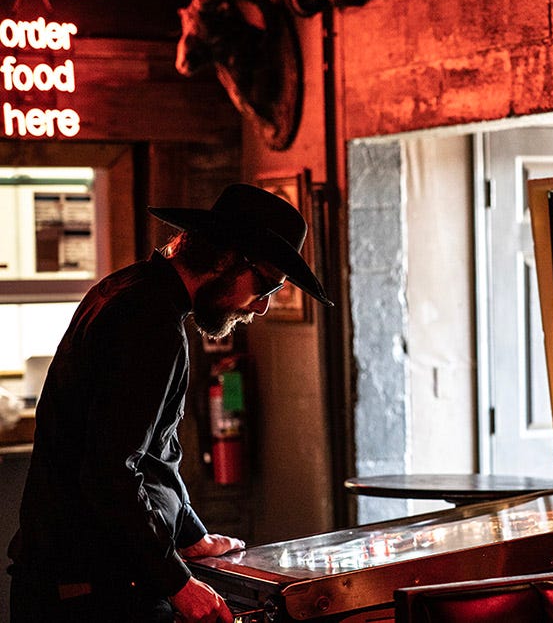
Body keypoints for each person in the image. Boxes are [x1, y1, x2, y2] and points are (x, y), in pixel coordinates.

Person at [7, 184, 333, 622]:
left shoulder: (132, 290)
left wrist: (190, 534)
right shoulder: (150, 321)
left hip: (80, 584)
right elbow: (110, 473)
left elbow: (154, 455)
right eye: (266, 285)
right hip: (91, 594)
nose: (263, 306)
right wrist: (177, 583)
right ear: (227, 259)